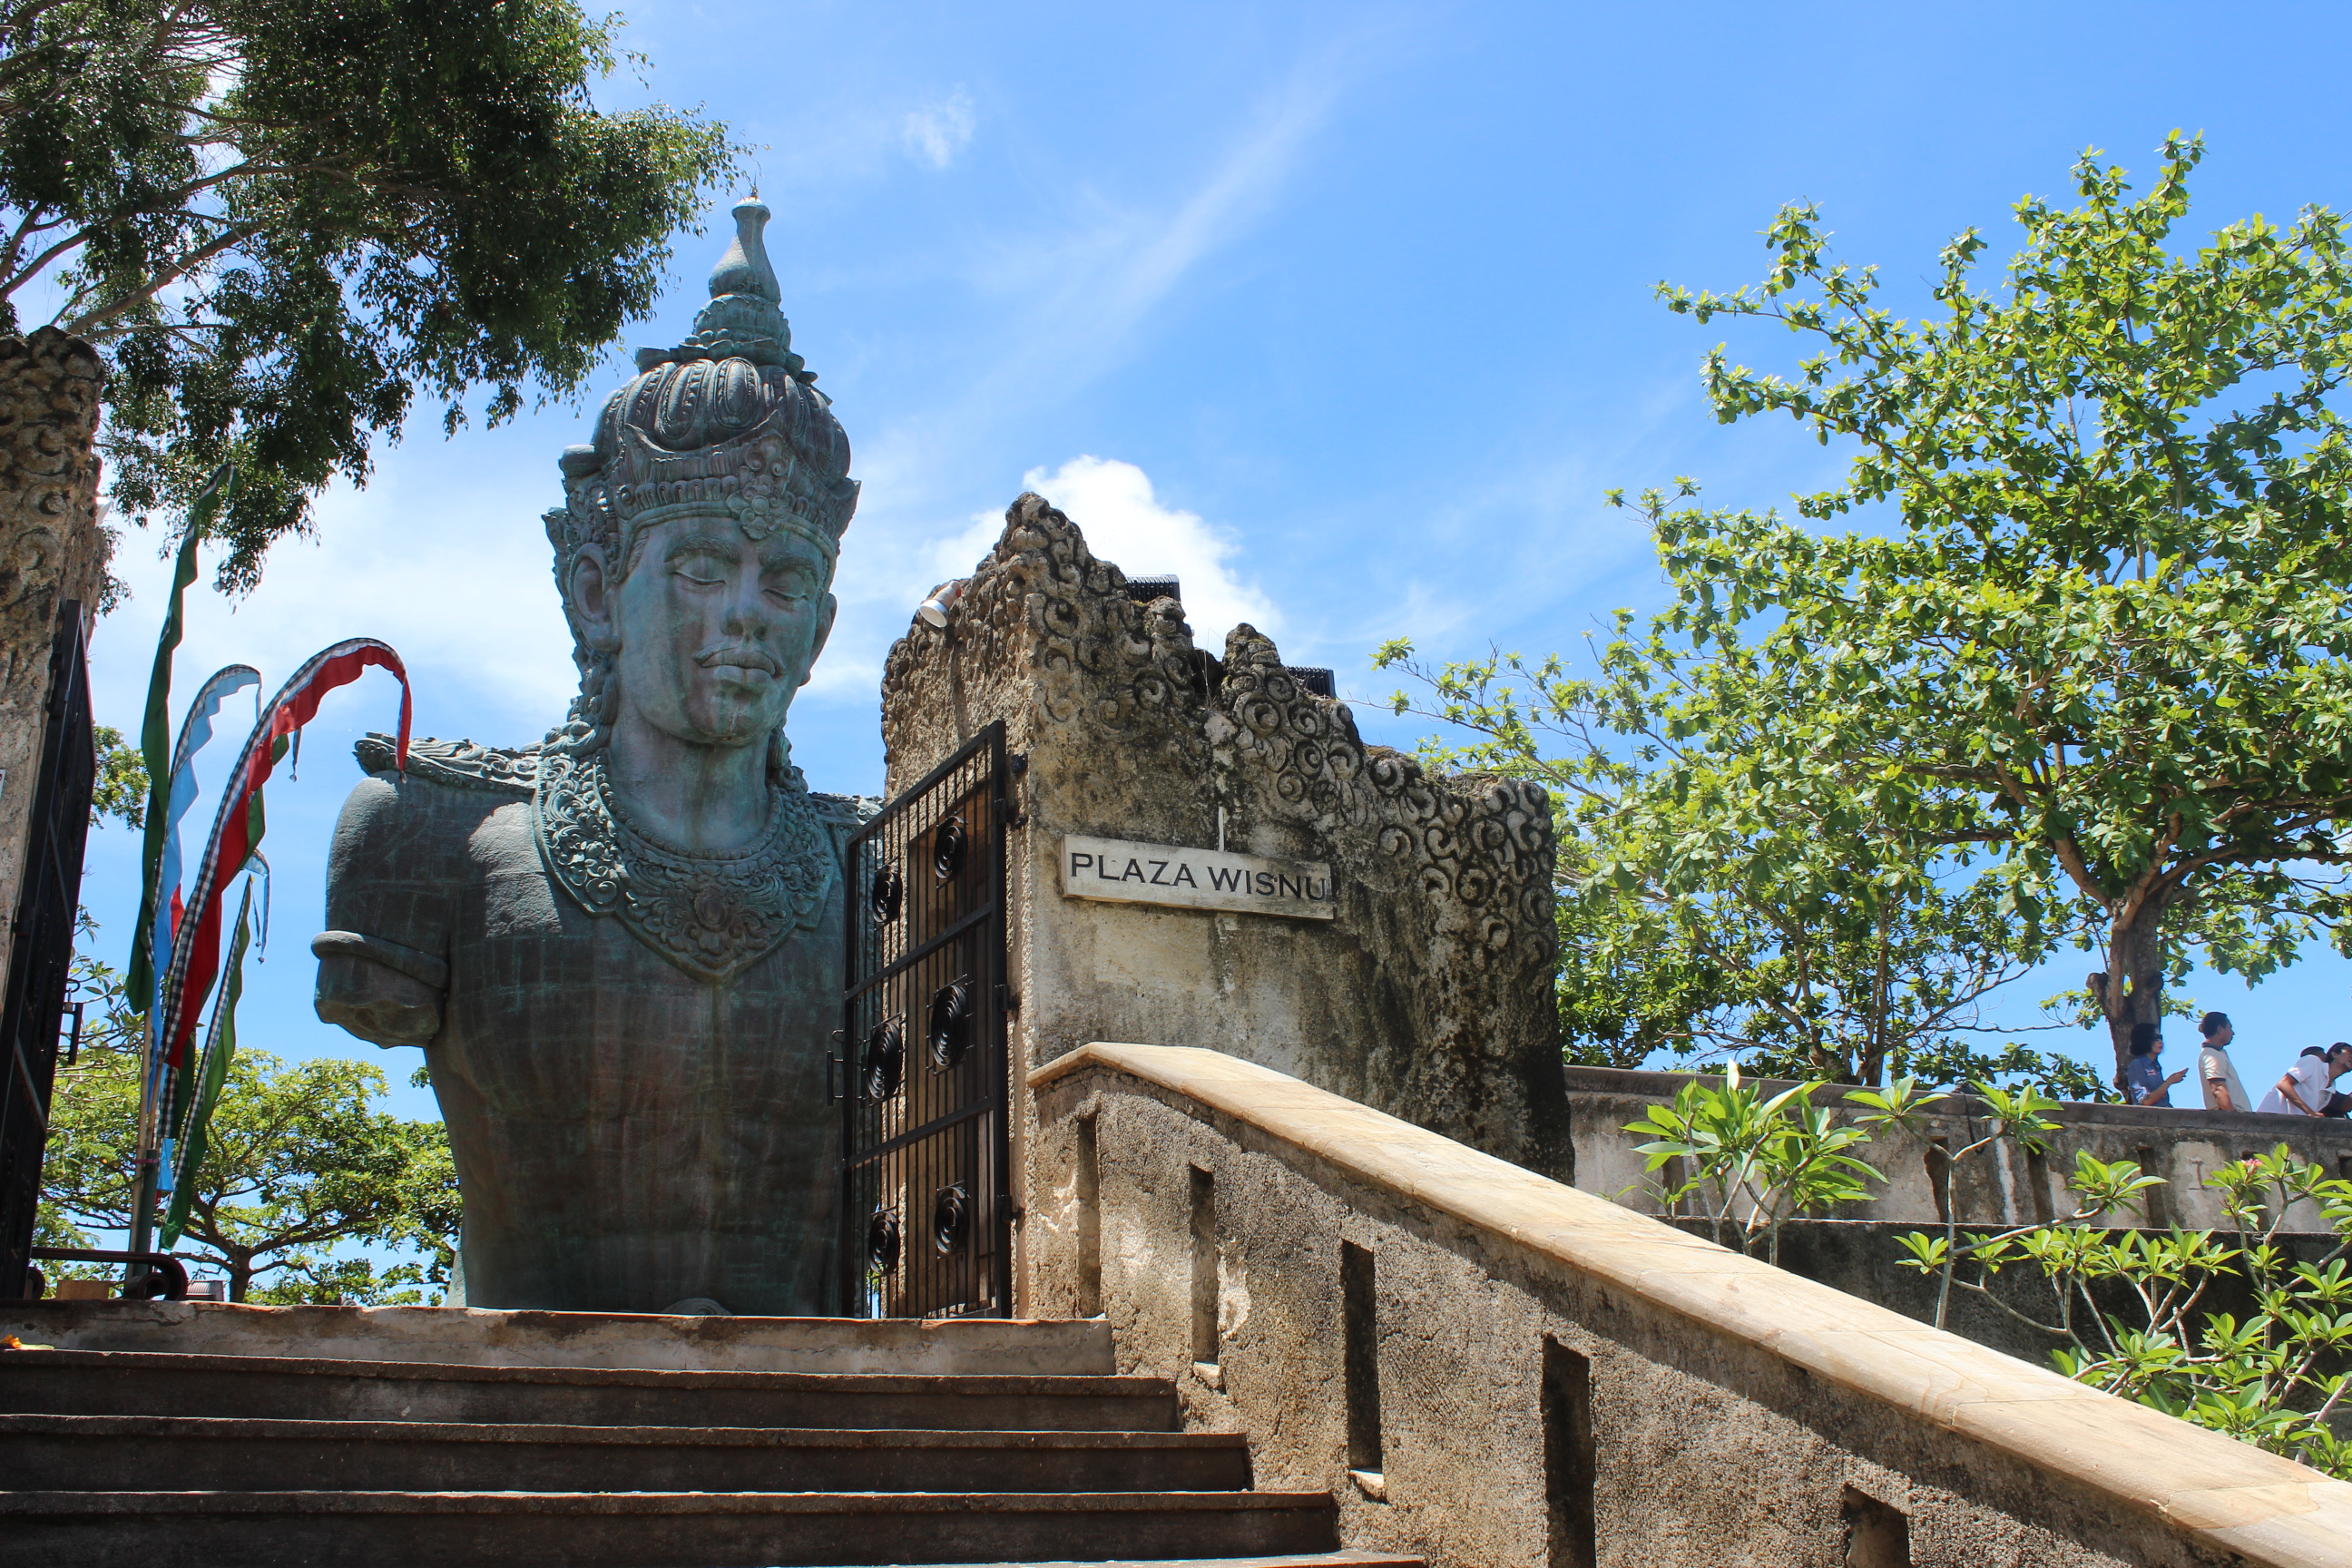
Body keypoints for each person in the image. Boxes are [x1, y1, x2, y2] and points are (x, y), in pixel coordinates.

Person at [2257, 1042, 2352, 1116]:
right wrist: (2310, 1112)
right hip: (2266, 1123)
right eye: (2349, 1052)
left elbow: (2345, 1106)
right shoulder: (2313, 1061)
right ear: (2335, 1054)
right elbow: (2283, 1084)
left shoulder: (2330, 1089)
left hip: (2289, 1129)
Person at [2124, 1022, 2189, 1106]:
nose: (2160, 1042)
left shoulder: (2155, 1066)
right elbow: (2145, 1101)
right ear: (2144, 1039)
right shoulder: (2137, 1065)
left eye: (2160, 1038)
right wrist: (2169, 1081)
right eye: (2155, 1038)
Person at [2198, 1012, 2251, 1114]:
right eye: (2230, 1028)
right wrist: (2233, 1118)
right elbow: (2218, 1089)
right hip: (2233, 1118)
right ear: (2220, 1029)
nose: (2232, 1033)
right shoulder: (2212, 1056)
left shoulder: (2217, 1053)